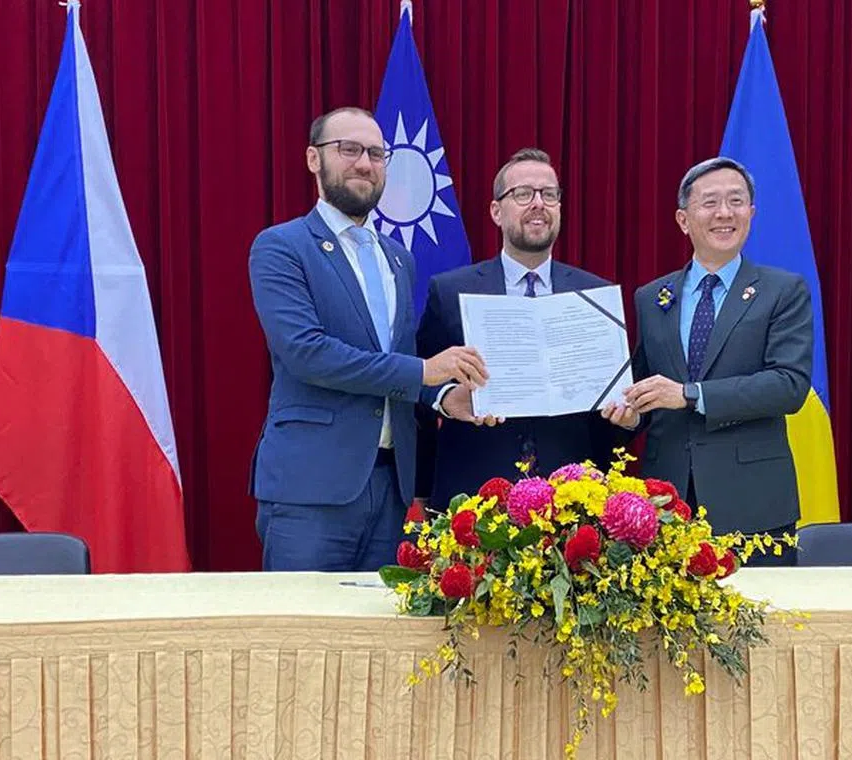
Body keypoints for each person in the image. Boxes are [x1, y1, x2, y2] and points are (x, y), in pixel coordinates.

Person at [248, 107, 487, 571]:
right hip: (311, 490)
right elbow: (306, 352)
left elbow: (397, 360)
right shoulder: (281, 246)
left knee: (381, 641)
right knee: (305, 636)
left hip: (391, 489)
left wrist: (441, 398)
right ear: (314, 160)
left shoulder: (398, 260)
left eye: (377, 154)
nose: (365, 163)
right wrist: (423, 371)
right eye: (349, 149)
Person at [603, 157, 813, 565]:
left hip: (753, 506)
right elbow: (649, 387)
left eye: (736, 201)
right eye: (710, 202)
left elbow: (789, 386)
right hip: (666, 504)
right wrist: (632, 416)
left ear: (751, 214)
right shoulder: (653, 297)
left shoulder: (782, 291)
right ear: (683, 219)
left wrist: (690, 394)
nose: (724, 213)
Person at [417, 148, 620, 510]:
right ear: (497, 211)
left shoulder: (595, 295)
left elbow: (609, 411)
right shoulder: (449, 291)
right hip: (473, 493)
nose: (538, 204)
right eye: (523, 194)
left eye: (549, 194)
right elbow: (417, 383)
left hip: (574, 497)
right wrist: (448, 399)